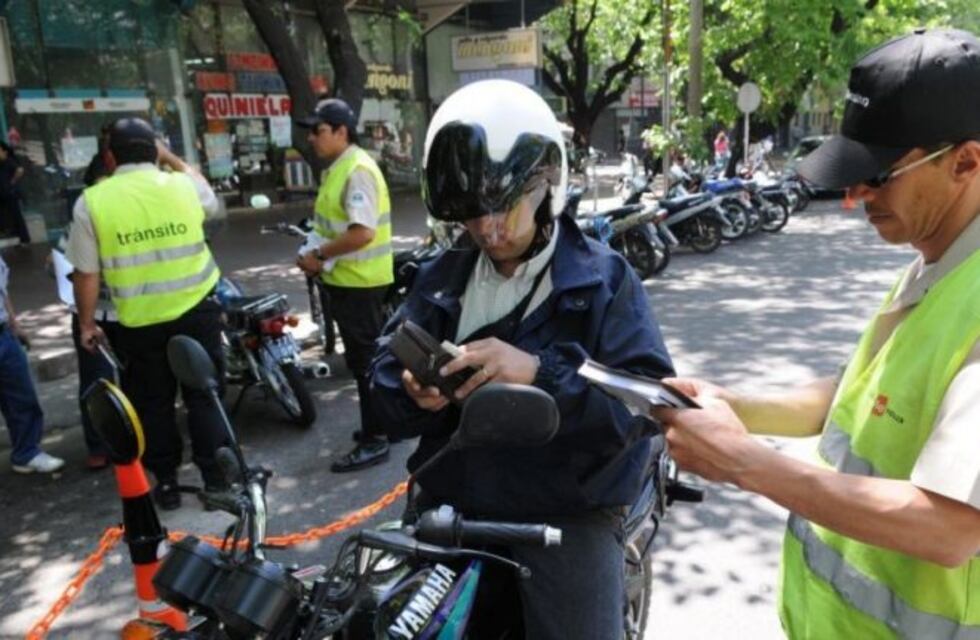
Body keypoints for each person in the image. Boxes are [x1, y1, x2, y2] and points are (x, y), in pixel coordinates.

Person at [654, 28, 980, 639]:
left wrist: (742, 462)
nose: (854, 197)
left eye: (878, 175)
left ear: (965, 161)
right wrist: (735, 406)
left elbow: (951, 527)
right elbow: (860, 394)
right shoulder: (938, 260)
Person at [369, 79, 674, 639]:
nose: (486, 228)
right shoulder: (442, 279)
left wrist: (540, 373)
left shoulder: (604, 280)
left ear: (544, 186)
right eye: (468, 214)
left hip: (565, 511)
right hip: (454, 505)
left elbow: (646, 405)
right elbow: (384, 379)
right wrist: (414, 391)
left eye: (501, 207)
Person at [66, 117, 228, 510]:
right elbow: (208, 198)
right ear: (154, 150)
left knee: (153, 403)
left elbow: (86, 274)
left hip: (139, 322)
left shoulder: (92, 200)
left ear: (109, 155)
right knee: (205, 395)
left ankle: (168, 483)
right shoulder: (184, 184)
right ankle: (216, 481)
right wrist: (169, 155)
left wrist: (87, 324)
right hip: (197, 309)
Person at [295, 98, 394, 473]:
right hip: (349, 282)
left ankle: (377, 438)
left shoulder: (356, 170)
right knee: (362, 362)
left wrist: (318, 255)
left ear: (341, 131)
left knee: (366, 364)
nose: (312, 140)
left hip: (360, 283)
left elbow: (362, 232)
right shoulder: (339, 169)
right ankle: (377, 427)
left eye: (318, 131)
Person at [0, 254, 65, 473]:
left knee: (21, 397)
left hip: (4, 335)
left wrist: (14, 324)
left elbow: (2, 291)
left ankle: (27, 452)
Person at [0, 141, 29, 245]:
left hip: (11, 193)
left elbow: (20, 170)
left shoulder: (9, 161)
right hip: (4, 194)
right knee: (7, 215)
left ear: (5, 151)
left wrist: (12, 181)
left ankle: (24, 239)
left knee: (17, 215)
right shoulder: (1, 163)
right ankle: (12, 233)